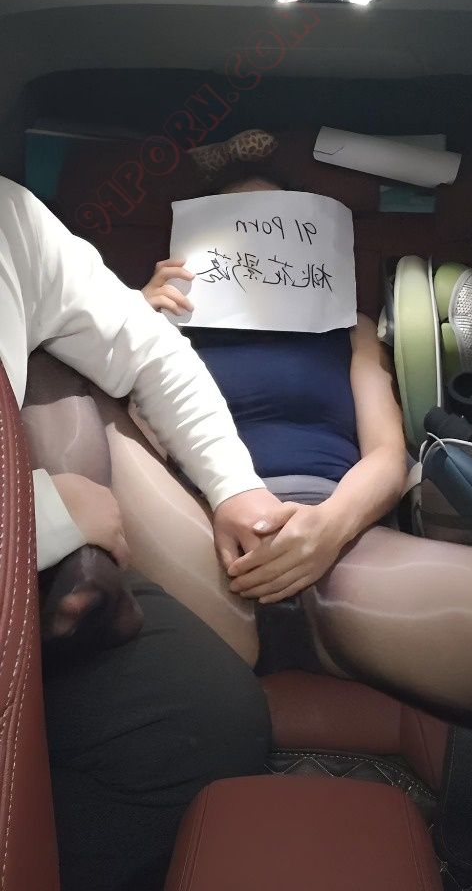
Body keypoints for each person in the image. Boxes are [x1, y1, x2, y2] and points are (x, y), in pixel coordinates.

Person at [0, 174, 277, 891]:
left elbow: (148, 348)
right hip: (26, 532)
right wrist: (41, 517)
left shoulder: (11, 218)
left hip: (30, 551)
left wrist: (234, 485)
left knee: (206, 718)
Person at [140, 173, 472, 730]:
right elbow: (132, 449)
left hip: (339, 539)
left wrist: (326, 531)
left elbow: (387, 454)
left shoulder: (351, 329)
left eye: (273, 223)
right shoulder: (161, 330)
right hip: (197, 533)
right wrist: (133, 321)